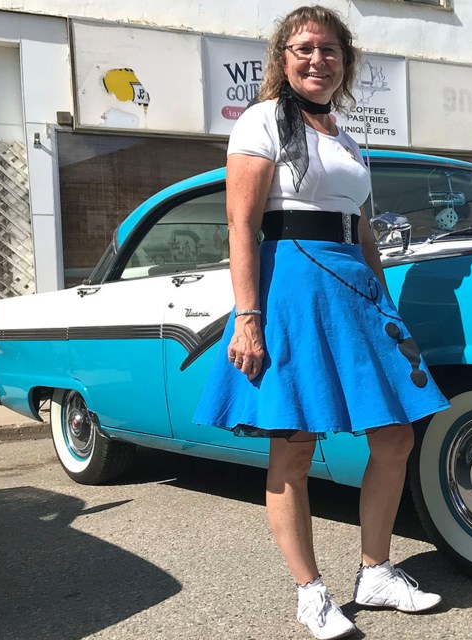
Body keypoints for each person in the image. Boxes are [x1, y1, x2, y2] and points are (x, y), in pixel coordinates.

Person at [193, 6, 450, 639]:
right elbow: (242, 225)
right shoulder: (262, 121)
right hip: (292, 285)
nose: (317, 58)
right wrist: (248, 317)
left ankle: (376, 571)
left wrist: (386, 307)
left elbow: (360, 229)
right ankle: (310, 590)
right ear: (283, 58)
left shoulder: (345, 135)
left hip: (353, 287)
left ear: (346, 61)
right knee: (295, 444)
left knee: (395, 438)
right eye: (304, 47)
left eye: (329, 49)